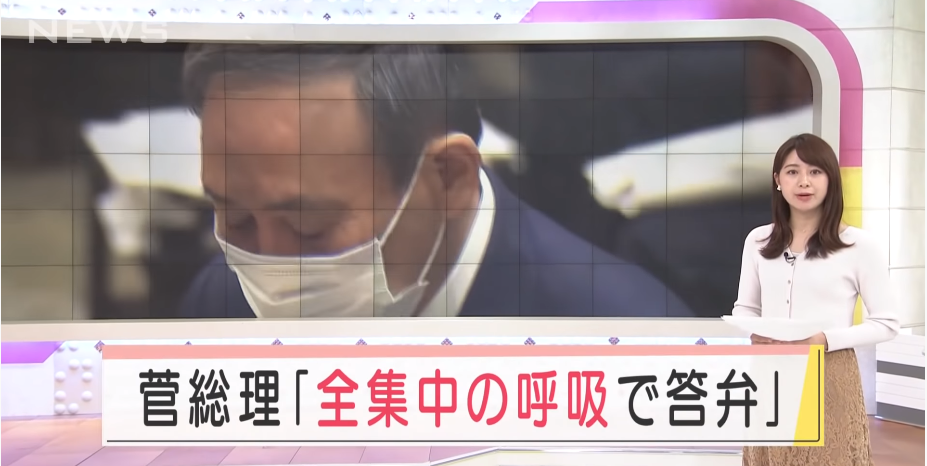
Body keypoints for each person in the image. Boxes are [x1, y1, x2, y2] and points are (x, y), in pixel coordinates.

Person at [178, 43, 691, 318]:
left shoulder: (620, 338)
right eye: (237, 218)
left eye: (307, 227)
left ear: (448, 179)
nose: (267, 269)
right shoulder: (220, 300)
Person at [731, 133, 899, 466]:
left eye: (815, 172)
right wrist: (754, 331)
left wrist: (824, 339)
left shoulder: (858, 245)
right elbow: (745, 308)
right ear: (777, 180)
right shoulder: (758, 241)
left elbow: (887, 323)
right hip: (769, 374)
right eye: (792, 172)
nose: (804, 182)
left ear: (830, 179)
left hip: (829, 374)